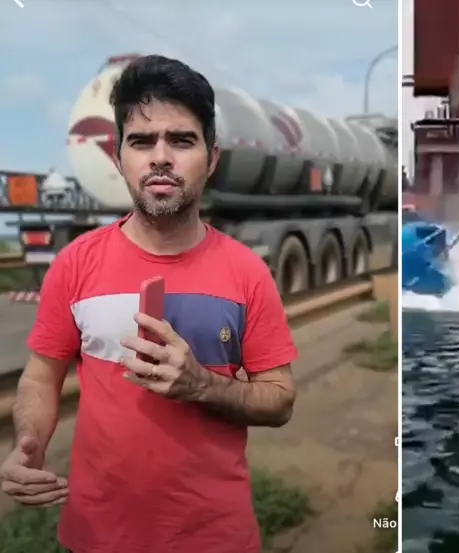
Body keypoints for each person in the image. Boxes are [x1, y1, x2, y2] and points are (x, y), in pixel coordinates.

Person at [0, 54, 298, 553]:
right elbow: (40, 376)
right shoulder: (75, 264)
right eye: (142, 141)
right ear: (119, 159)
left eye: (181, 140)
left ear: (213, 158)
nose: (161, 156)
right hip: (97, 538)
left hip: (216, 540)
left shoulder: (248, 272)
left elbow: (281, 399)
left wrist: (204, 386)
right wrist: (28, 443)